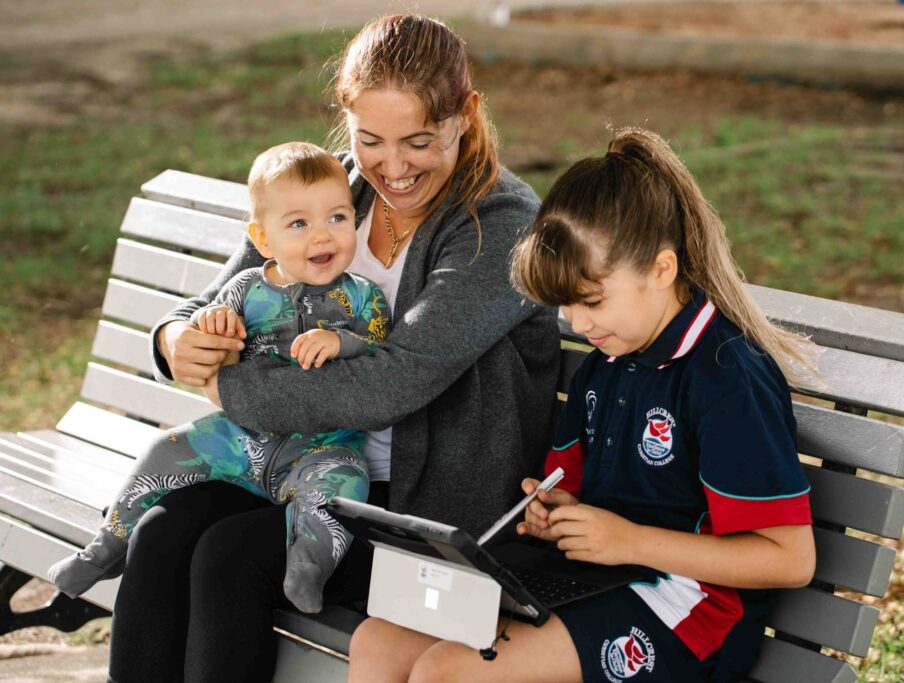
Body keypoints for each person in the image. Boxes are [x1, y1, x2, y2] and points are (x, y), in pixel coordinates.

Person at [106, 15, 559, 683]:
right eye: (370, 139)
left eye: (418, 141)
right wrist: (176, 340)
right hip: (295, 463)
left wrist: (231, 390)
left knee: (231, 554)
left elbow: (394, 380)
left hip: (416, 509)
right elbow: (221, 293)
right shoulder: (337, 186)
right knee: (164, 528)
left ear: (467, 115)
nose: (394, 168)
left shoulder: (499, 222)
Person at [348, 128, 818, 683]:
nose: (577, 322)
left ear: (662, 270)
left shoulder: (725, 378)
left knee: (447, 672)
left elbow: (790, 558)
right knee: (378, 641)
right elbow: (566, 487)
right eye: (566, 304)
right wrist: (553, 513)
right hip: (594, 575)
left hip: (686, 609)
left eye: (591, 300)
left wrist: (628, 540)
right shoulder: (607, 362)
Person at [49, 142, 389, 614]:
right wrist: (213, 326)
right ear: (263, 240)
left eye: (338, 218)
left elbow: (382, 348)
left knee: (345, 484)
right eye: (299, 224)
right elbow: (210, 322)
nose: (322, 237)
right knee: (166, 449)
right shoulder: (245, 287)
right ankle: (108, 544)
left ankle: (308, 567)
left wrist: (342, 343)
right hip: (240, 440)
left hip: (322, 447)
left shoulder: (362, 297)